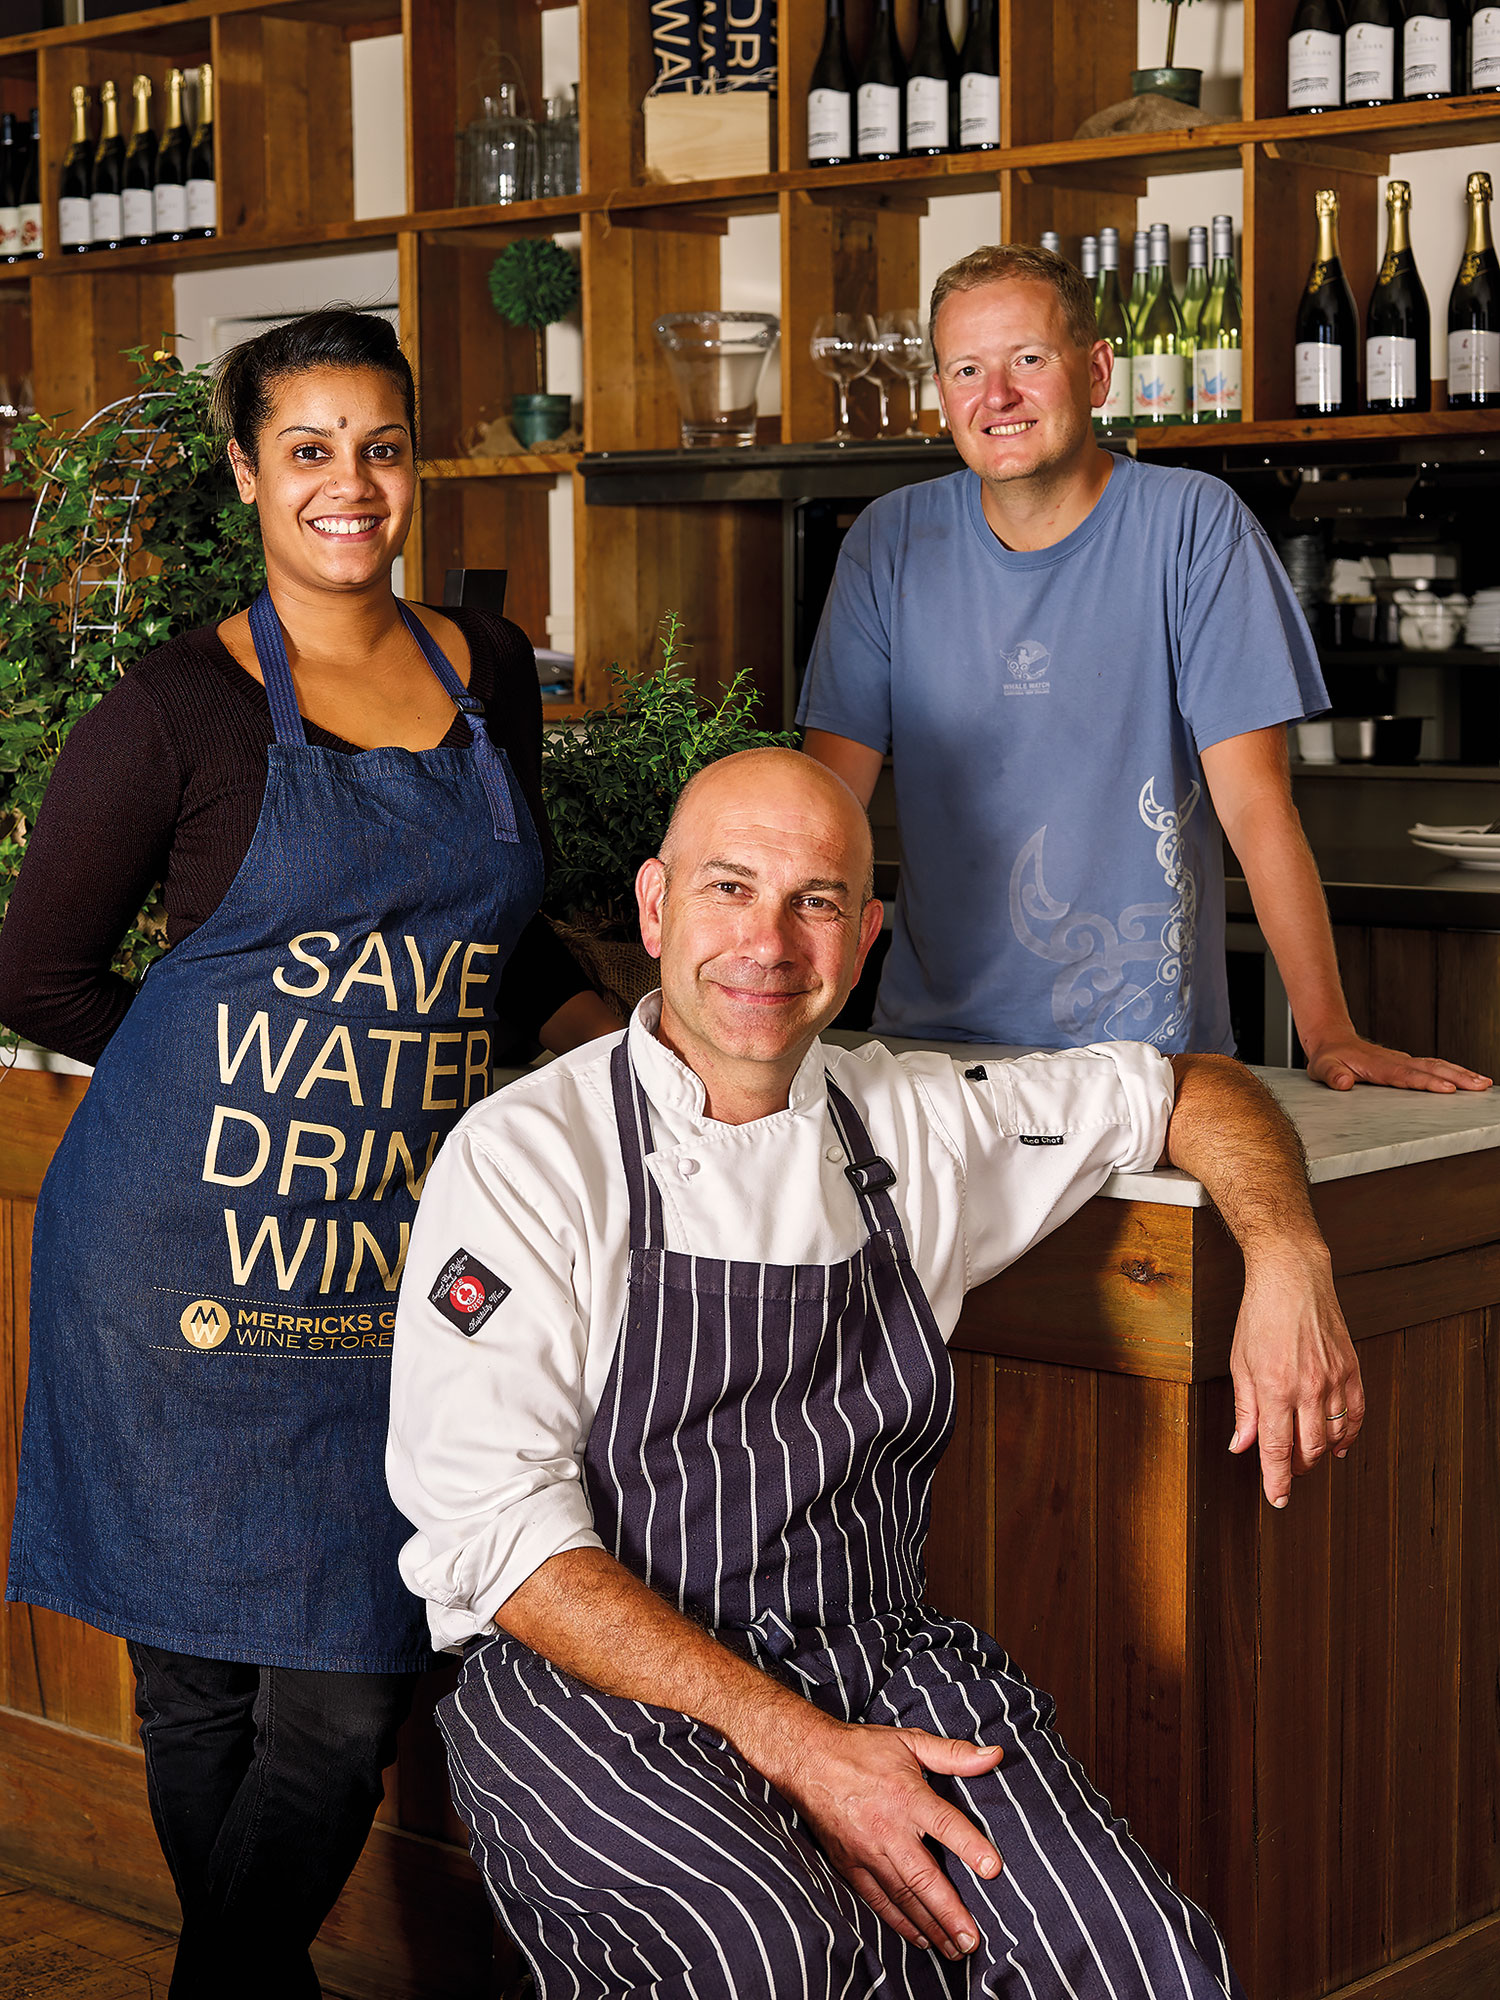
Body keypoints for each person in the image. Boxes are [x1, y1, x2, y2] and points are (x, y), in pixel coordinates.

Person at [387, 746, 1361, 1999]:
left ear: (866, 936)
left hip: (874, 1655)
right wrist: (803, 1749)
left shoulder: (914, 1118)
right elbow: (499, 1543)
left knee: (1148, 1964)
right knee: (775, 1954)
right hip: (594, 1688)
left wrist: (1288, 1251)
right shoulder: (528, 1156)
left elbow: (1189, 1087)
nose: (770, 942)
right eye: (729, 888)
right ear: (652, 906)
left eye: (817, 901)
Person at [0, 308, 616, 1999]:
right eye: (310, 449)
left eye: (384, 444)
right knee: (196, 1693)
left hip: (396, 1273)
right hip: (173, 1269)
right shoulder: (178, 704)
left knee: (346, 1696)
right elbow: (35, 968)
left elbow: (506, 943)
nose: (354, 484)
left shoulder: (478, 669)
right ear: (247, 475)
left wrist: (619, 1055)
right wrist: (236, 1097)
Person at [799, 243, 1489, 1097]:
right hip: (930, 1060)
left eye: (1029, 360)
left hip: (1150, 1066)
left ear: (1095, 374)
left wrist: (1329, 1030)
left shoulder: (1195, 526)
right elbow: (821, 818)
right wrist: (783, 1024)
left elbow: (1255, 802)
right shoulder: (888, 543)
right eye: (966, 368)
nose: (997, 396)